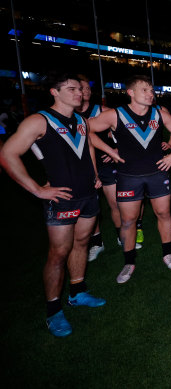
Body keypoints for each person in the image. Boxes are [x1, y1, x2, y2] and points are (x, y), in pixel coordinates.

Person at [0, 74, 106, 337]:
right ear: (54, 92)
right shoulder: (39, 120)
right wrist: (37, 189)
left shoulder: (81, 120)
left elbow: (88, 147)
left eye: (80, 89)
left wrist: (94, 175)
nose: (78, 93)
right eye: (71, 89)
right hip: (62, 199)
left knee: (82, 244)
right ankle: (53, 310)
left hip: (88, 195)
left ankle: (78, 292)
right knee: (59, 253)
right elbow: (7, 154)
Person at [88, 75, 171, 284]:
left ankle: (167, 254)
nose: (150, 94)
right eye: (145, 90)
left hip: (157, 174)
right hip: (128, 177)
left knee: (164, 214)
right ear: (130, 93)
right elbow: (86, 129)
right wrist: (110, 150)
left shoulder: (159, 113)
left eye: (151, 90)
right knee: (129, 221)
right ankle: (129, 262)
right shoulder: (116, 115)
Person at [76, 77, 128, 262]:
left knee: (115, 202)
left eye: (87, 87)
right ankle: (97, 243)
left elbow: (127, 132)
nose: (86, 91)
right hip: (81, 167)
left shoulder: (102, 111)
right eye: (81, 88)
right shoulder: (67, 115)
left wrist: (116, 149)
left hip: (106, 164)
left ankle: (121, 237)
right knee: (91, 208)